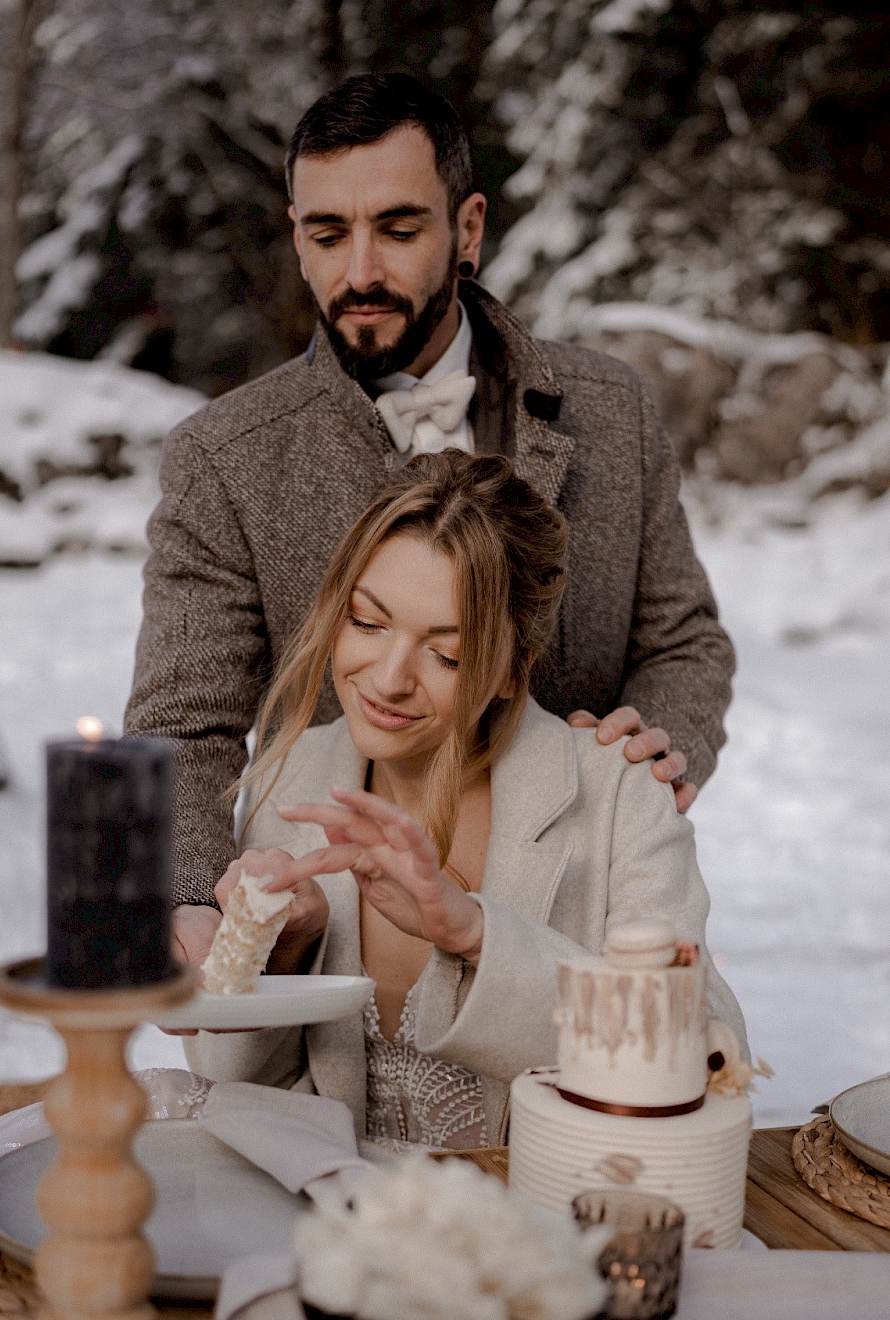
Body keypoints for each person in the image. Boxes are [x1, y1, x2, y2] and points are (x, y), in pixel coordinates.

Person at [124, 72, 736, 968]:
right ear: (297, 238)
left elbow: (684, 639)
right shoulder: (224, 459)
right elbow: (183, 725)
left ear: (469, 229)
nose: (360, 270)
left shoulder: (615, 410)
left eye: (400, 229)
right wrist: (198, 901)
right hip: (340, 958)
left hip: (582, 937)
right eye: (327, 233)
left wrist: (660, 744)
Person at [181, 451, 746, 1149]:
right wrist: (287, 952)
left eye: (445, 655)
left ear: (512, 668)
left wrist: (475, 934)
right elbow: (232, 1090)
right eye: (367, 621)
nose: (387, 679)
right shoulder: (290, 776)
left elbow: (711, 1049)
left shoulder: (618, 793)